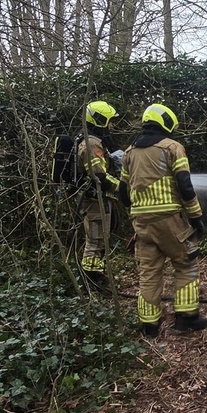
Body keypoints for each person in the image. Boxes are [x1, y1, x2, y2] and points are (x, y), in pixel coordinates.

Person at [120, 103, 207, 337]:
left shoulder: (129, 152)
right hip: (170, 221)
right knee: (186, 264)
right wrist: (196, 217)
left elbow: (122, 191)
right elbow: (185, 186)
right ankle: (187, 318)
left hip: (142, 224)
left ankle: (150, 326)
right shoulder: (172, 147)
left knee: (149, 272)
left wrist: (140, 209)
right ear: (165, 122)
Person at [78, 100, 121, 294]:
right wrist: (123, 187)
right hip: (94, 201)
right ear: (100, 120)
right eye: (110, 121)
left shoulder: (94, 141)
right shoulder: (91, 143)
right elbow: (99, 176)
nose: (112, 125)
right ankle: (90, 282)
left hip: (98, 200)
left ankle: (97, 277)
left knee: (100, 240)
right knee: (95, 242)